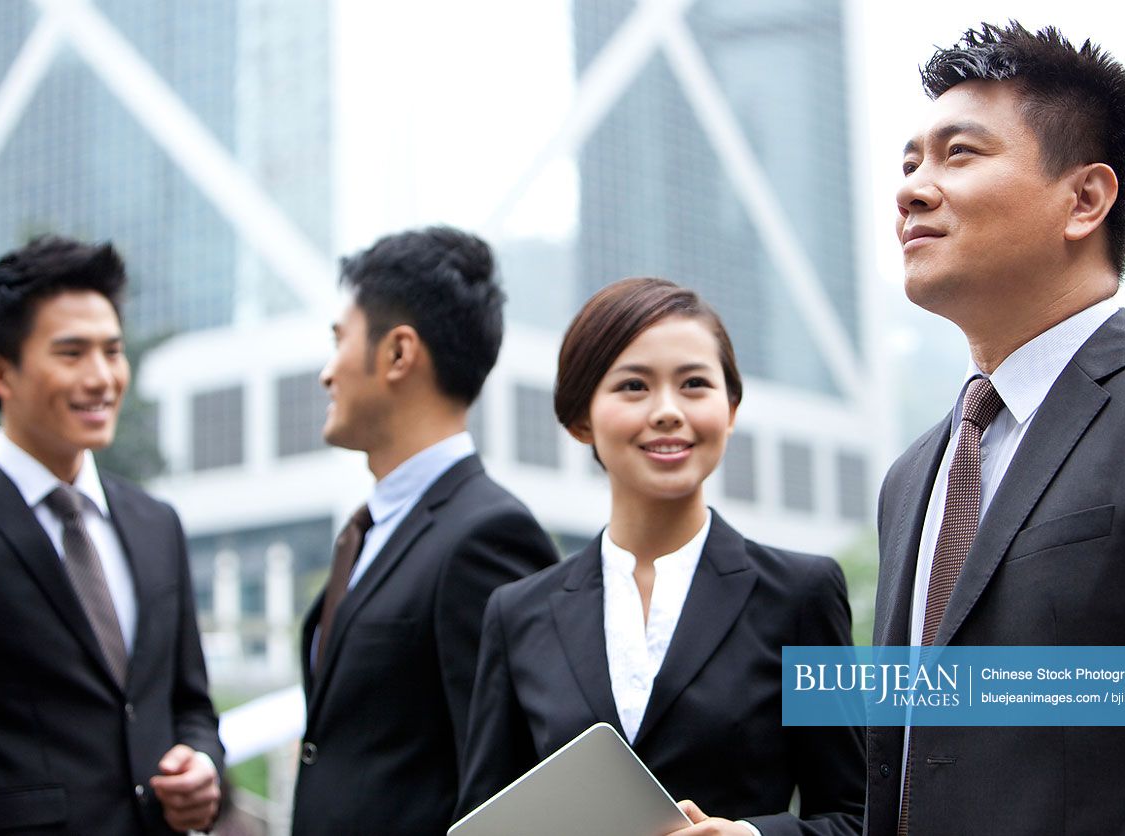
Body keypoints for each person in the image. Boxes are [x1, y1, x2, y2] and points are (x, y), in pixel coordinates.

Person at [870, 22, 1125, 835]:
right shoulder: (912, 477)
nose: (912, 187)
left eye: (960, 154)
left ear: (1083, 199)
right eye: (909, 161)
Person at [456, 278, 865, 835]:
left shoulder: (802, 593)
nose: (668, 411)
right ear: (581, 419)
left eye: (695, 383)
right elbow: (484, 821)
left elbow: (857, 816)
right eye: (633, 387)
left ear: (731, 408)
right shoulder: (517, 613)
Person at [0, 236, 224, 834]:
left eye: (113, 351)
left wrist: (201, 763)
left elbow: (189, 703)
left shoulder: (156, 524)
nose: (102, 377)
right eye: (72, 353)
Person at [291, 227, 559, 835]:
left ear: (398, 353)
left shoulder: (488, 535)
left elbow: (510, 778)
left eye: (340, 340)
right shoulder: (371, 530)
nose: (327, 373)